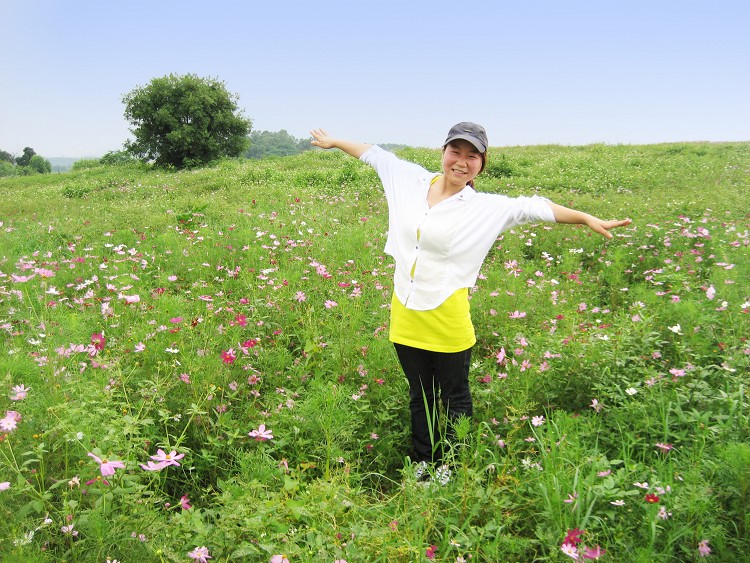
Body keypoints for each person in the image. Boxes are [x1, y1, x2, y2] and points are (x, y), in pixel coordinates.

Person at [310, 123, 631, 467]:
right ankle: (423, 460)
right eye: (456, 152)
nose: (461, 162)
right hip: (404, 308)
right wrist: (333, 142)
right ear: (443, 152)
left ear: (482, 163)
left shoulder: (485, 208)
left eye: (472, 156)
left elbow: (534, 207)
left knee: (453, 396)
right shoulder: (410, 179)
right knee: (420, 395)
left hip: (447, 315)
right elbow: (373, 154)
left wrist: (584, 218)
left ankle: (449, 464)